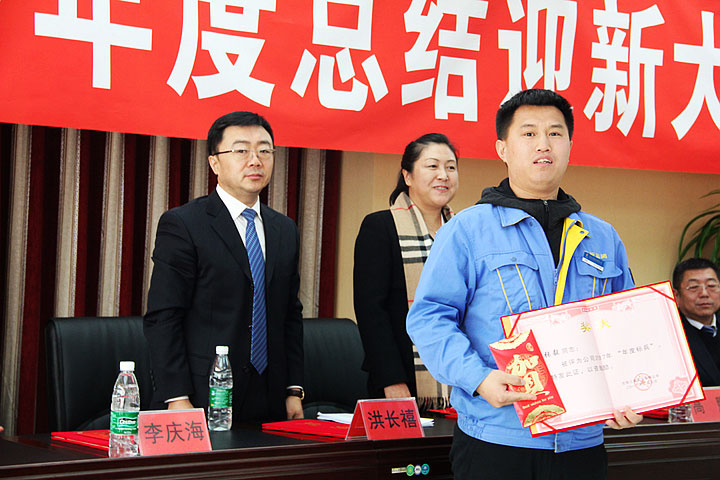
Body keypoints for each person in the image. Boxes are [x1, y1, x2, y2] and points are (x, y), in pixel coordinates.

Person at [406, 89, 642, 480]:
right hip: (497, 440)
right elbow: (429, 318)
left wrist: (627, 391)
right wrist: (478, 378)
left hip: (583, 443)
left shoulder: (603, 236)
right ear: (503, 148)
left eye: (555, 133)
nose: (543, 144)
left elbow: (623, 326)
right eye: (529, 133)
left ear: (570, 145)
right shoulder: (467, 230)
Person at [144, 111, 304, 424]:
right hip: (202, 395)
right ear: (214, 163)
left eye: (265, 150)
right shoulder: (184, 224)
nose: (255, 160)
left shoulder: (284, 229)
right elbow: (164, 316)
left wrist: (293, 388)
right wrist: (176, 396)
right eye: (242, 150)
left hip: (270, 396)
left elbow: (290, 314)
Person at [353, 133, 458, 408]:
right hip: (401, 378)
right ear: (408, 176)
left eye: (450, 167)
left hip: (460, 377)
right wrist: (391, 379)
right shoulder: (380, 227)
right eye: (432, 166)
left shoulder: (463, 232)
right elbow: (371, 311)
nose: (444, 175)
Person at [672, 258, 720, 386]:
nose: (704, 294)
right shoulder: (670, 336)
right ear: (676, 295)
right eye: (693, 287)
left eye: (711, 286)